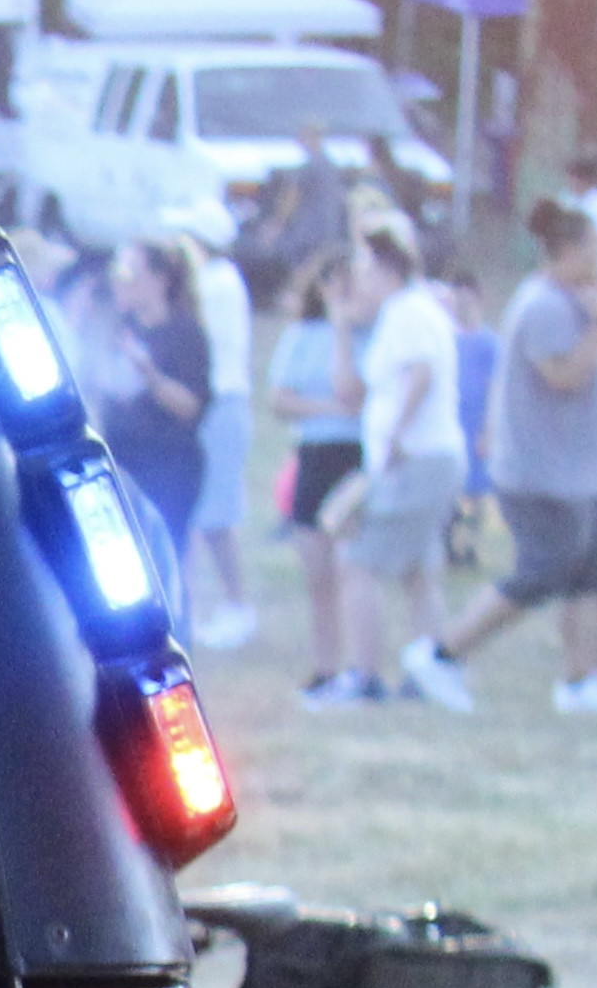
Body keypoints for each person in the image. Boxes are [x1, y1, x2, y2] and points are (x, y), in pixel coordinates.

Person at [404, 197, 597, 712]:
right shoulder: (546, 305)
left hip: (582, 469)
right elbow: (564, 376)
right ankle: (442, 654)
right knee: (540, 573)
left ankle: (579, 683)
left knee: (591, 575)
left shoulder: (571, 298)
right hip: (542, 472)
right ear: (571, 250)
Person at [328, 221, 464, 689]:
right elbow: (352, 393)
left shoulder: (410, 312)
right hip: (425, 456)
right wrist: (342, 325)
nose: (358, 282)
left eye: (365, 271)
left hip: (414, 457)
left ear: (387, 270)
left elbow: (421, 375)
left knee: (358, 563)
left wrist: (394, 437)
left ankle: (365, 675)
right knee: (418, 572)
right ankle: (428, 672)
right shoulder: (401, 314)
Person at [276, 246, 377, 698]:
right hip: (314, 451)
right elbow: (280, 399)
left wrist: (342, 330)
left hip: (353, 453)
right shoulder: (300, 335)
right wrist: (323, 407)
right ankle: (324, 665)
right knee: (316, 569)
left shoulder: (371, 335)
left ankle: (360, 666)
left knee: (349, 565)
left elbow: (353, 393)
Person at [100, 236, 214, 627]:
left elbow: (191, 406)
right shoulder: (121, 329)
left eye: (130, 274)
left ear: (160, 280)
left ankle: (175, 640)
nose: (121, 282)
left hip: (169, 466)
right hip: (123, 461)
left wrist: (150, 376)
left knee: (163, 564)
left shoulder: (185, 332)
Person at [189, 228, 259, 647]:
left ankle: (237, 604)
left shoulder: (216, 283)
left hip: (222, 401)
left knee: (217, 512)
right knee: (211, 513)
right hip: (223, 401)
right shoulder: (226, 279)